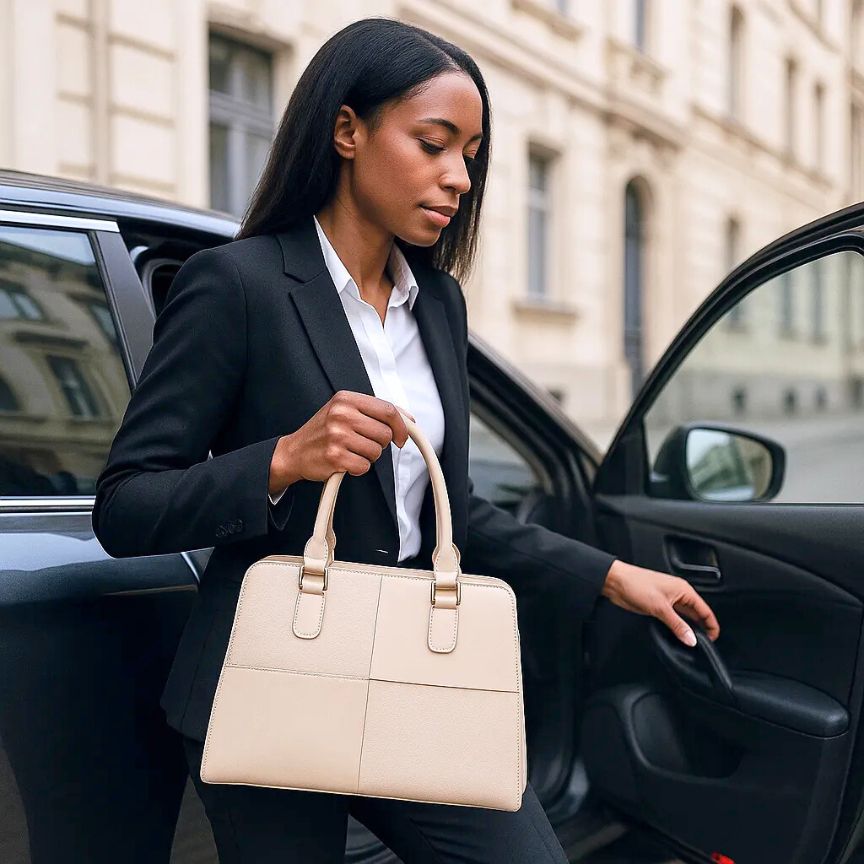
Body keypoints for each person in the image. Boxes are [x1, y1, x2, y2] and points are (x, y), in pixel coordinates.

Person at [92, 16, 720, 863]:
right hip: (272, 680)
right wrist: (283, 460)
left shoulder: (438, 304)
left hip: (417, 677)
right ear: (347, 130)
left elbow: (456, 513)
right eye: (433, 143)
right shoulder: (237, 285)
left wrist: (614, 577)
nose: (459, 176)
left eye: (470, 153)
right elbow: (127, 506)